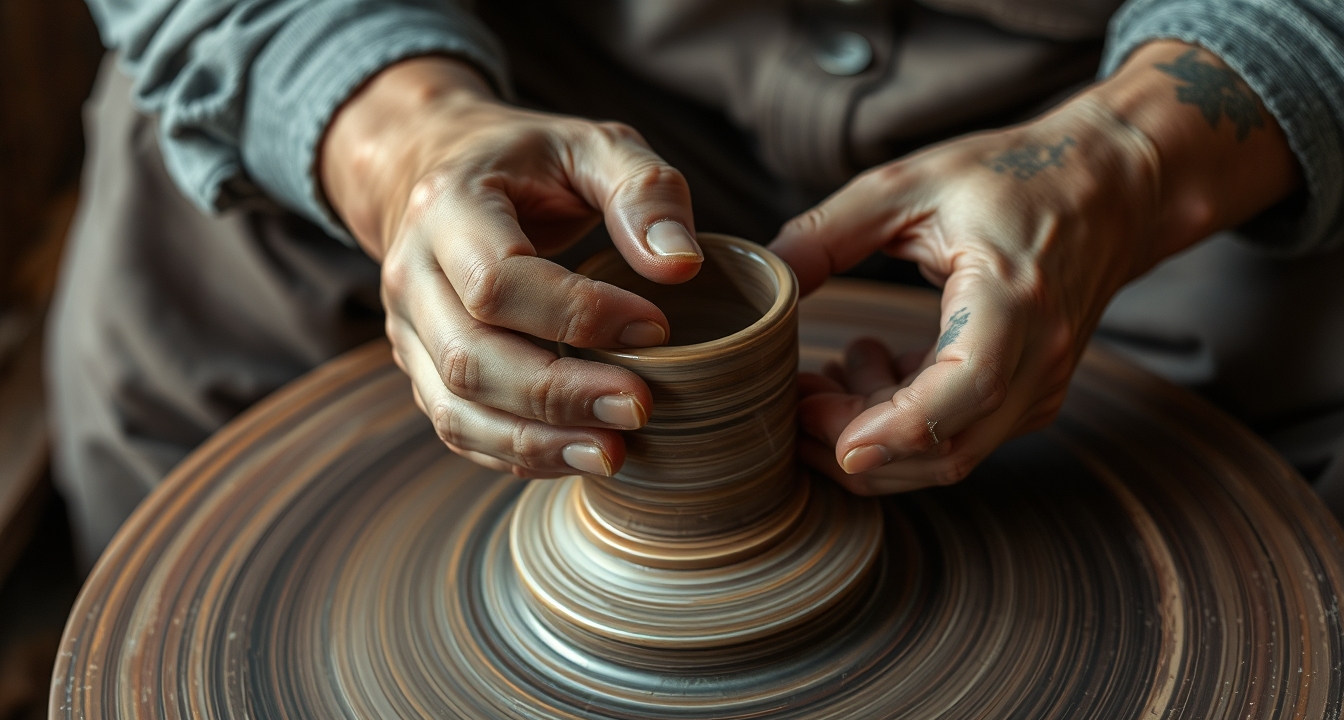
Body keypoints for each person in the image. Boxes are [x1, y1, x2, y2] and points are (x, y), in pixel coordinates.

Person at [49, 0, 1344, 567]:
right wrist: (398, 138)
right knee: (179, 322)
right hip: (517, 59)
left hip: (1110, 85)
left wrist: (1124, 160)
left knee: (1265, 478)